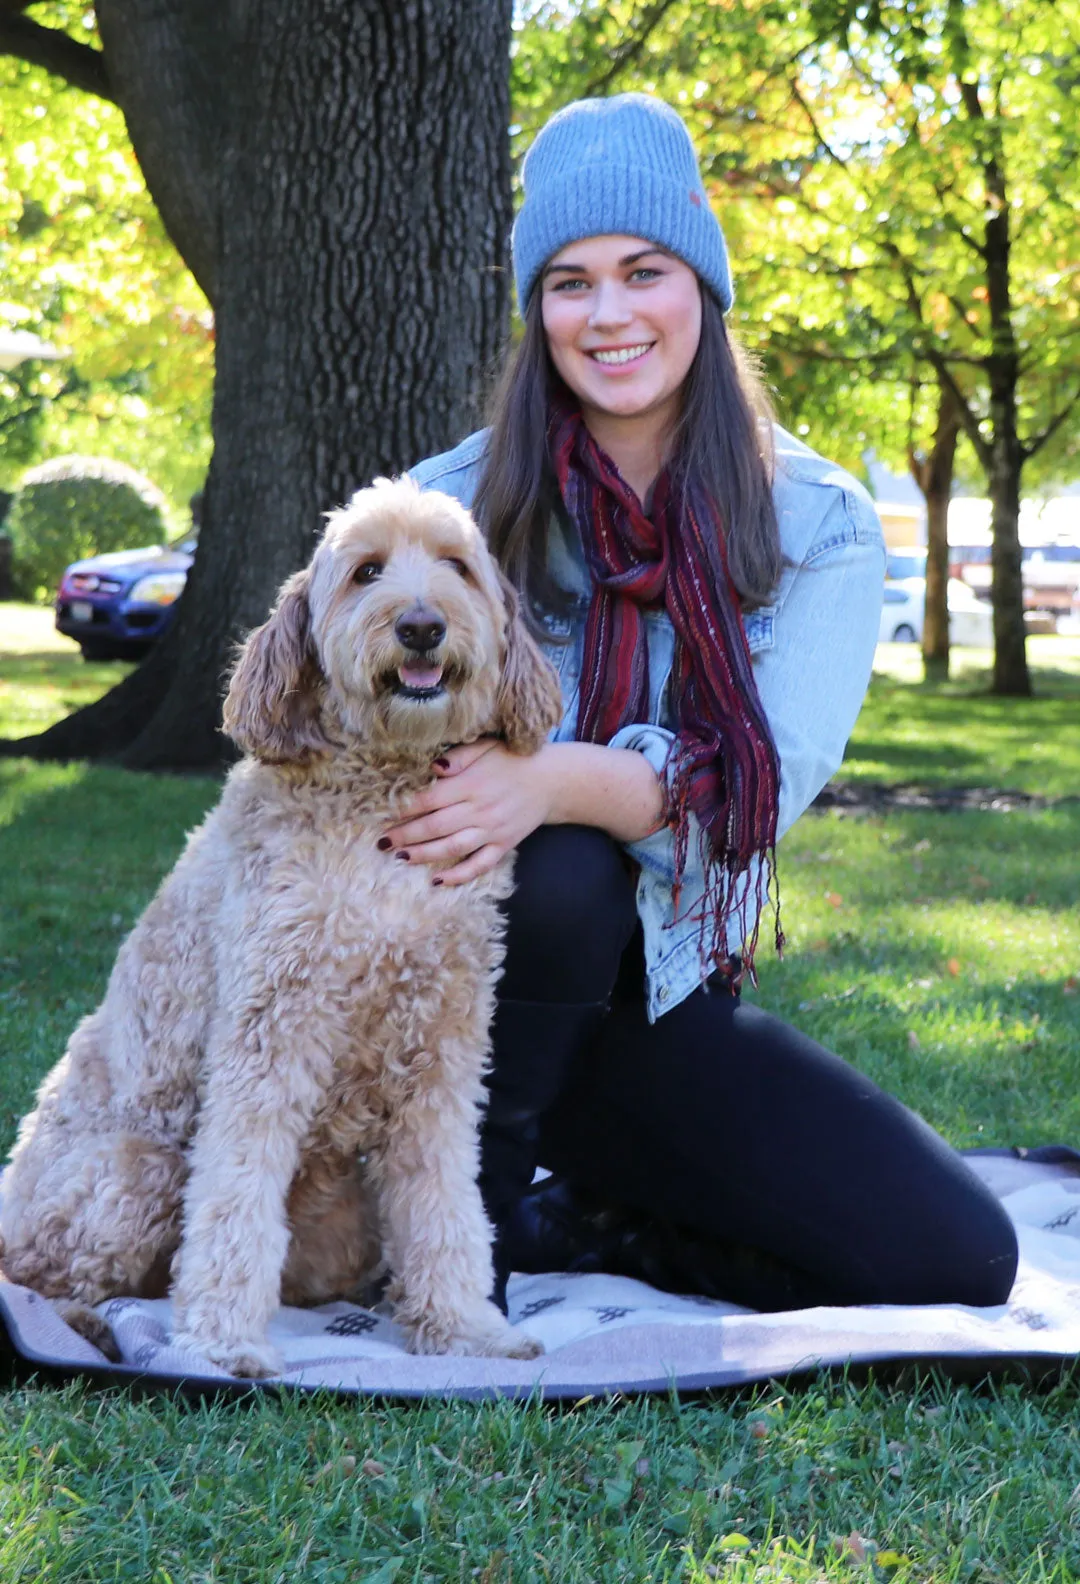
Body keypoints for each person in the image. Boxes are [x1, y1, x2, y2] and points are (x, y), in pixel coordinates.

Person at [388, 93, 1018, 1314]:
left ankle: (585, 1224)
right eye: (569, 283)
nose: (609, 314)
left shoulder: (818, 520)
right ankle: (452, 1230)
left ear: (704, 286)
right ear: (537, 312)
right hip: (451, 1004)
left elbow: (754, 792)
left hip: (656, 999)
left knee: (957, 1257)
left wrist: (553, 776)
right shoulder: (450, 506)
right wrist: (541, 805)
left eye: (643, 271)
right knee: (560, 867)